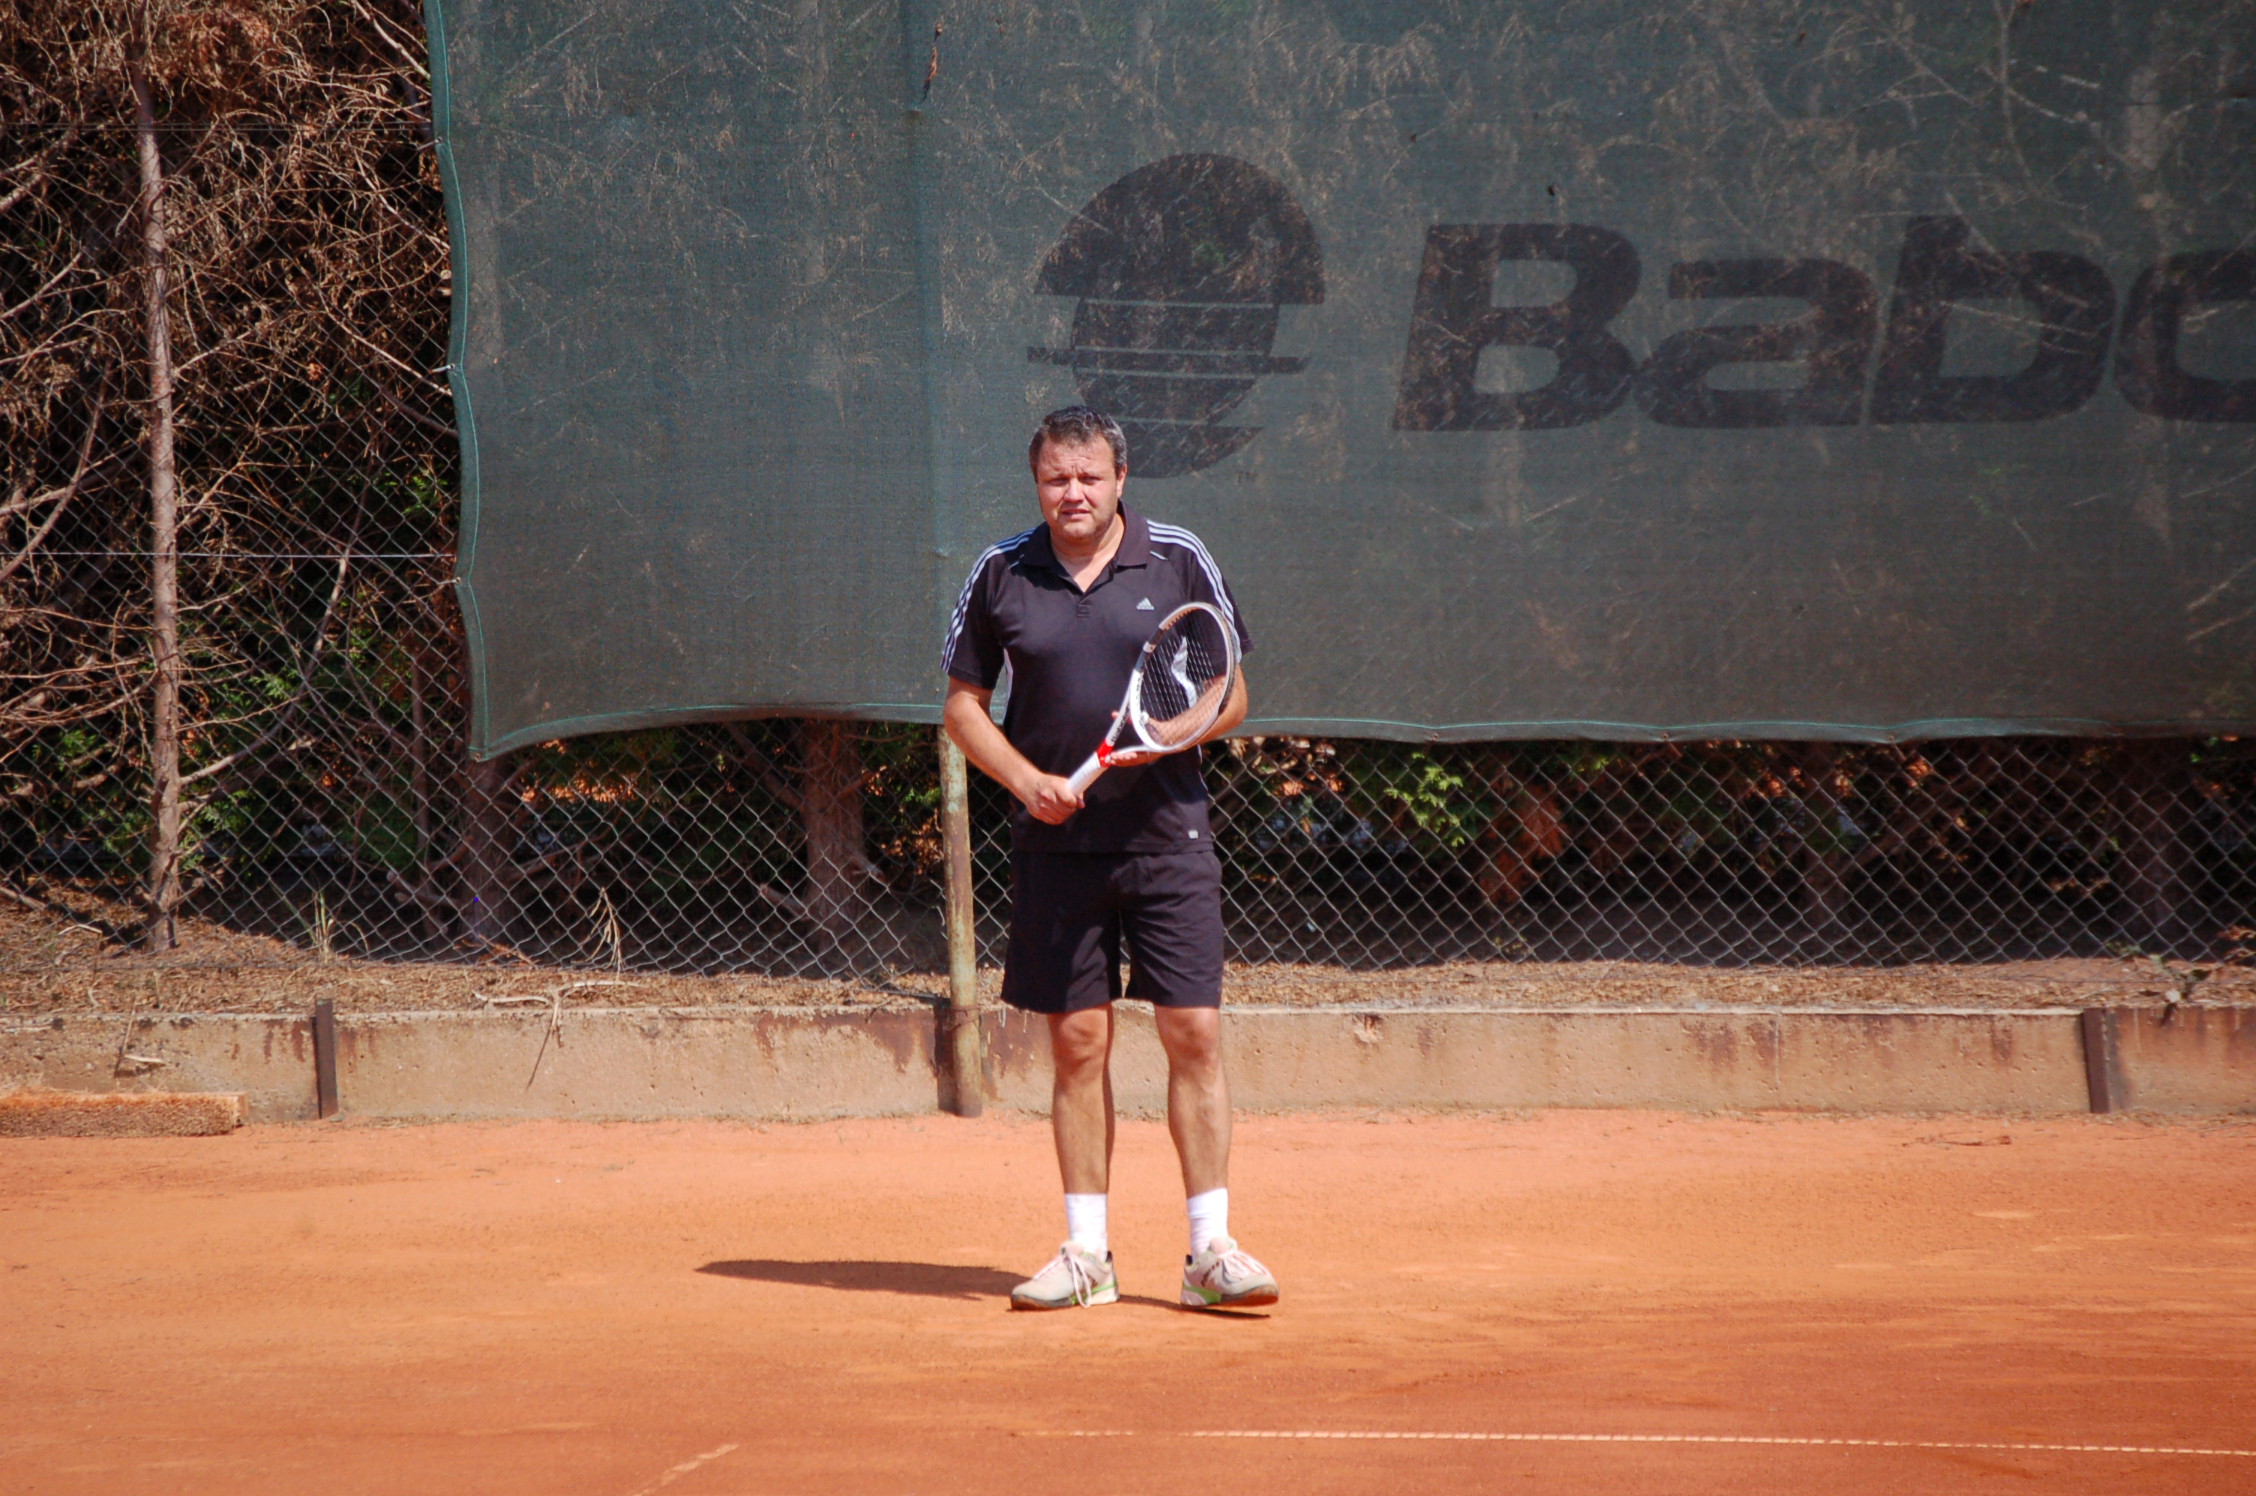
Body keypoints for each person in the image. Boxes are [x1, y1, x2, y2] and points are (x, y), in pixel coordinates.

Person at [940, 406, 1278, 1312]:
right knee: (1078, 1043)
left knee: (1193, 1032)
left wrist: (1167, 735)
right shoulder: (1002, 571)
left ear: (1121, 479)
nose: (1074, 493)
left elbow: (1231, 690)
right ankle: (1087, 1256)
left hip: (1169, 839)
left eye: (1090, 476)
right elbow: (964, 705)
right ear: (1037, 484)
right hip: (1058, 848)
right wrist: (1024, 781)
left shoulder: (1176, 557)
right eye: (1057, 478)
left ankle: (1210, 1255)